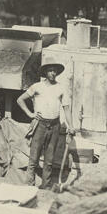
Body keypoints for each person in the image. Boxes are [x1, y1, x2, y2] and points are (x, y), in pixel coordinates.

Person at [17, 57, 75, 189]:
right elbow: (20, 100)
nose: (53, 73)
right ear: (45, 73)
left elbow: (66, 108)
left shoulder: (61, 88)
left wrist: (71, 126)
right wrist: (30, 114)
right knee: (34, 158)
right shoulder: (37, 87)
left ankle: (46, 186)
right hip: (40, 125)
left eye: (55, 71)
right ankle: (29, 185)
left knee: (49, 160)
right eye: (50, 71)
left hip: (54, 125)